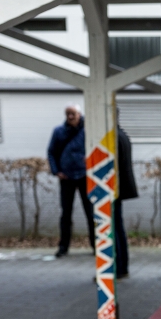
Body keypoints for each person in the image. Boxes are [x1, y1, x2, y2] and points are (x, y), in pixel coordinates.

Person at [47, 104, 95, 258]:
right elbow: (51, 152)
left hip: (84, 176)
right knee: (66, 214)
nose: (70, 117)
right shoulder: (59, 132)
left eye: (73, 113)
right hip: (67, 177)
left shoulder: (89, 130)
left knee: (90, 213)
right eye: (68, 114)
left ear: (80, 114)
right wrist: (57, 171)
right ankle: (63, 247)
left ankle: (96, 246)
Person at [114, 125, 138, 279]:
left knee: (113, 228)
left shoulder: (113, 137)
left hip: (113, 189)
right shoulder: (122, 134)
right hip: (120, 189)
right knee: (118, 228)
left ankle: (118, 268)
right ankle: (122, 267)